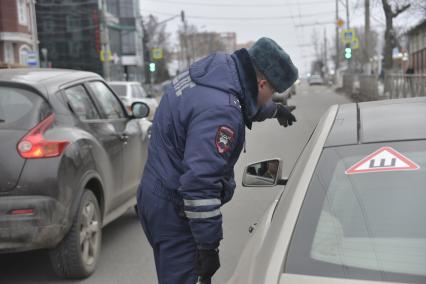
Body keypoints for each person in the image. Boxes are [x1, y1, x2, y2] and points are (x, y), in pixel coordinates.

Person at [137, 37, 298, 284]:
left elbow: (242, 98)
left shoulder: (219, 69)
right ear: (262, 82)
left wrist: (274, 110)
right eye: (272, 92)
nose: (270, 97)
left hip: (156, 192)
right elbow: (199, 185)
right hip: (176, 212)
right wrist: (208, 247)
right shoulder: (222, 112)